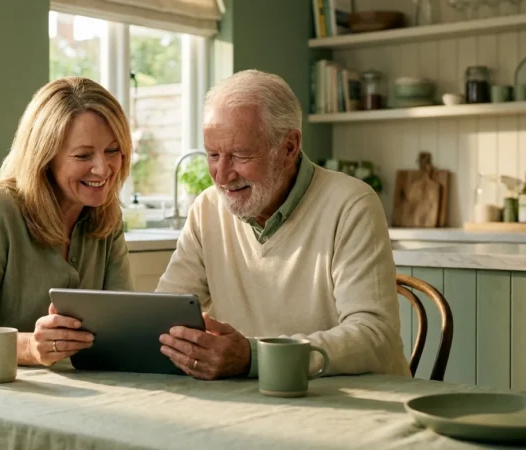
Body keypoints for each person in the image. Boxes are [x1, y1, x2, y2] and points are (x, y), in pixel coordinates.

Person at [156, 70, 410, 380]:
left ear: (289, 147)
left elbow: (375, 338)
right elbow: (164, 316)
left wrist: (255, 356)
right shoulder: (207, 208)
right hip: (249, 400)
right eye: (213, 154)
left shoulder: (351, 204)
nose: (221, 175)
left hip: (354, 405)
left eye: (239, 154)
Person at [0, 77, 134, 367]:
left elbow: (123, 321)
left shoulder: (107, 217)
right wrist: (30, 348)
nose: (103, 168)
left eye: (112, 150)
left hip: (55, 390)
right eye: (83, 155)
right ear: (45, 158)